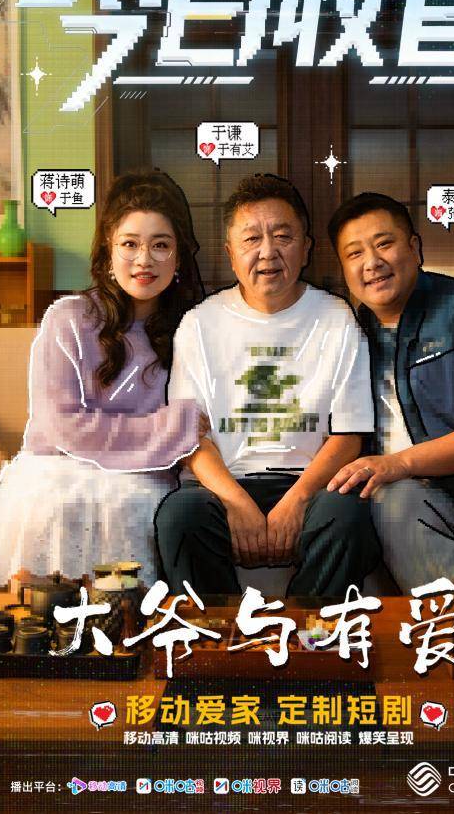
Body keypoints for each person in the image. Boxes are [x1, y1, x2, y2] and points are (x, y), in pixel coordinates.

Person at [156, 174, 380, 597]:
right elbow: (190, 437)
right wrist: (237, 503)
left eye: (282, 236)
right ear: (230, 253)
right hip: (225, 484)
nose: (267, 252)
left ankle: (309, 629)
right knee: (179, 515)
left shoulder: (336, 319)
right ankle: (217, 631)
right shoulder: (200, 324)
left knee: (347, 515)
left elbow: (349, 435)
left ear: (306, 247)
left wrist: (297, 501)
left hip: (311, 483)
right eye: (251, 239)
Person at [0, 172, 206, 586]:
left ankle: (131, 623)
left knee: (140, 503)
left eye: (161, 245)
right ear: (109, 249)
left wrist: (178, 435)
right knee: (57, 501)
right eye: (130, 244)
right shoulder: (68, 318)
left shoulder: (193, 329)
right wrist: (169, 427)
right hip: (57, 466)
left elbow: (201, 424)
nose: (144, 260)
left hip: (148, 476)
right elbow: (62, 424)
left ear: (179, 257)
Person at [326, 191, 454, 591]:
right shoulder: (348, 336)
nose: (372, 262)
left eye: (384, 243)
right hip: (425, 501)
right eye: (354, 253)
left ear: (415, 248)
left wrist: (400, 463)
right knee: (394, 498)